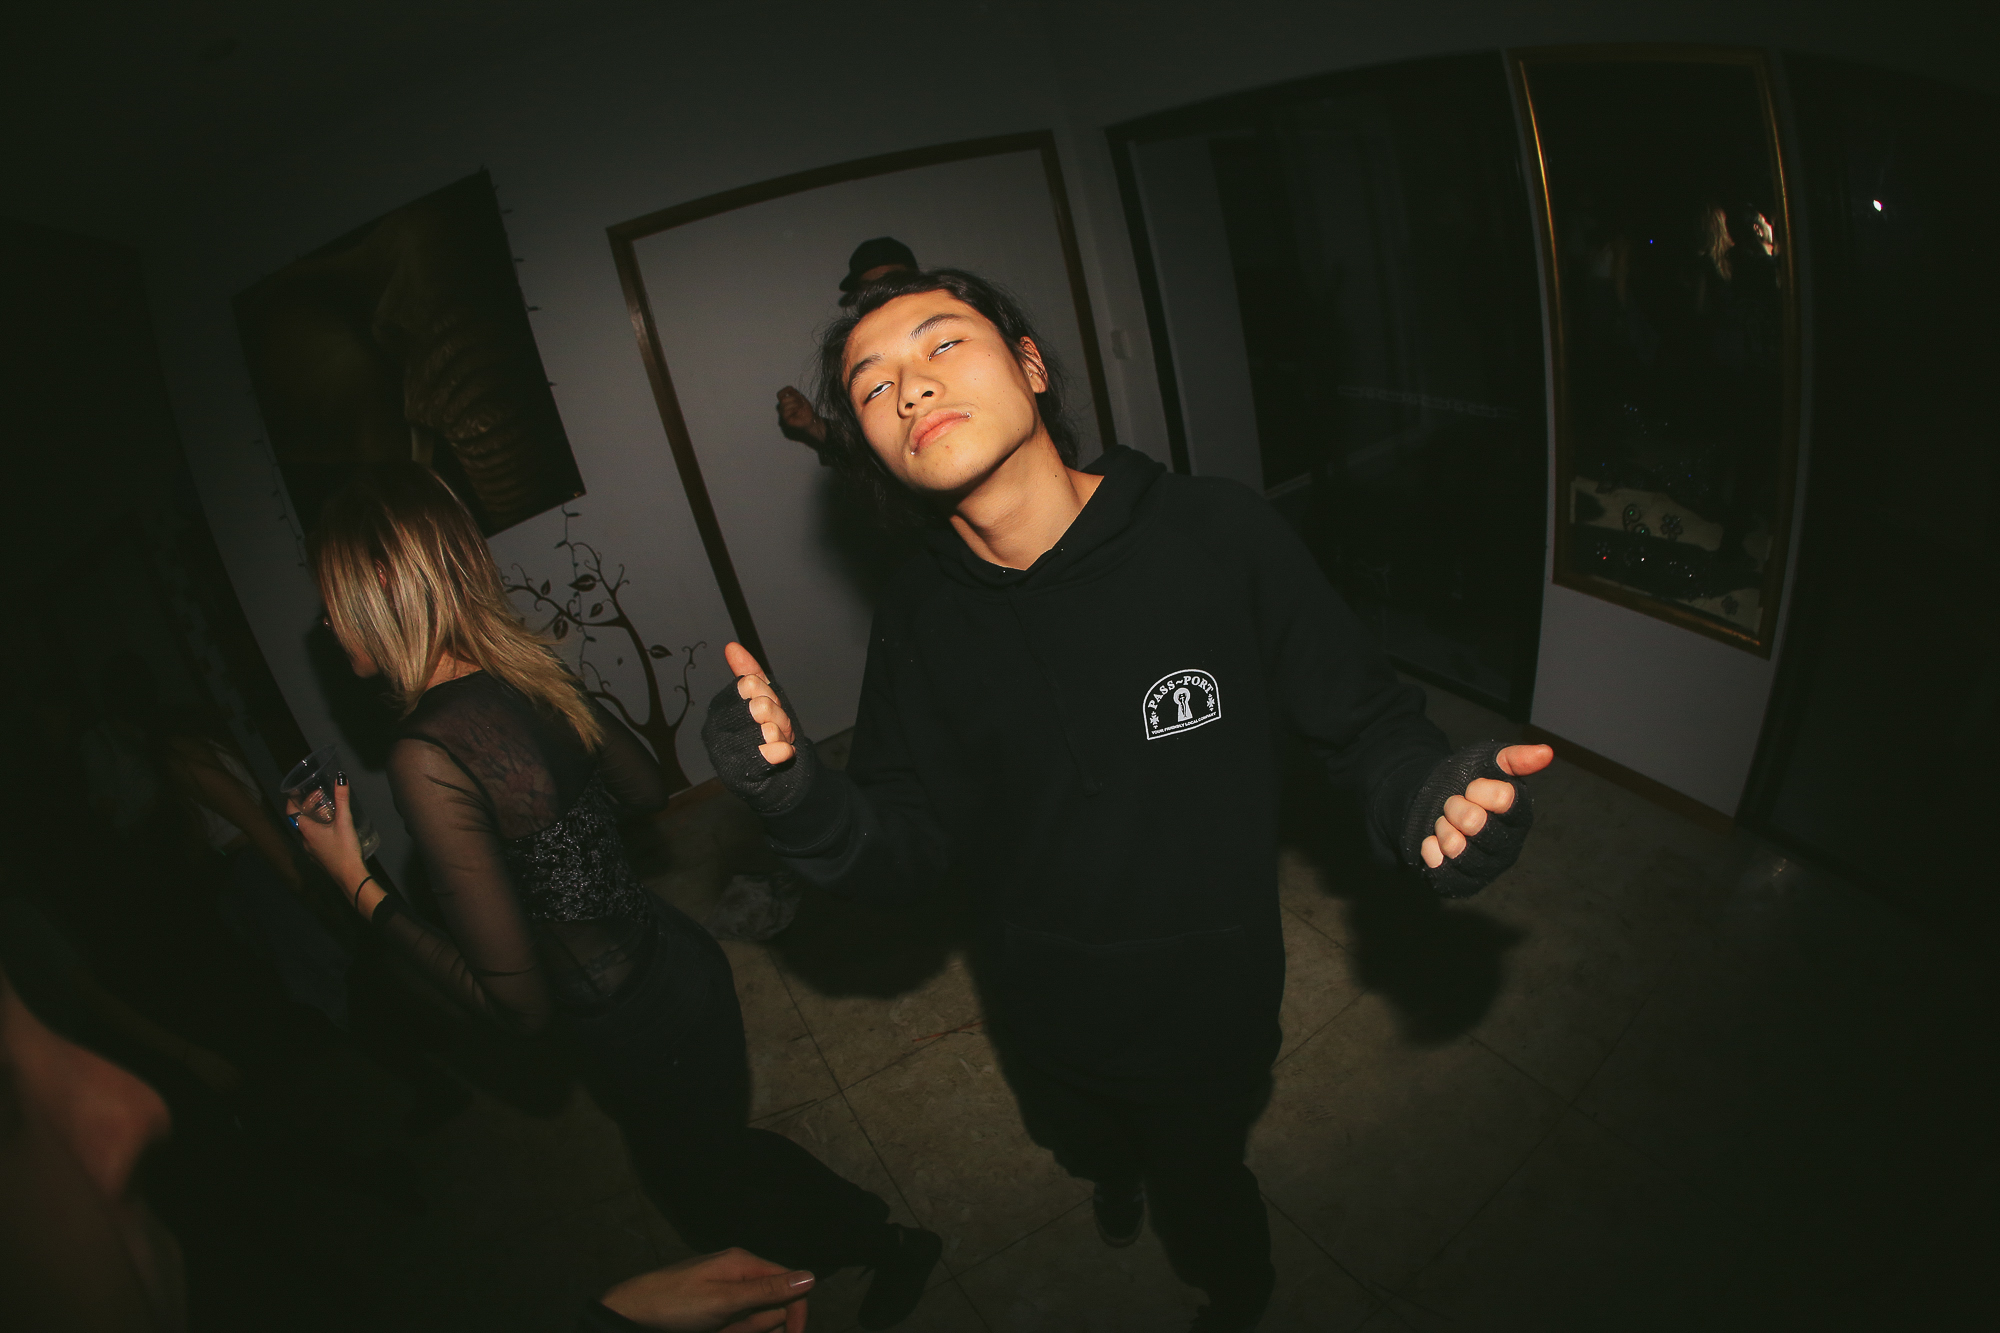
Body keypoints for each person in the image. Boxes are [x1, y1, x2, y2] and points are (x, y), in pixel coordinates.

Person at [700, 268, 1553, 1332]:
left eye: (942, 344)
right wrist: (796, 796)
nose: (909, 388)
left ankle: (1237, 1292)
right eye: (872, 387)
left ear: (1030, 365)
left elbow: (1365, 719)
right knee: (1082, 1141)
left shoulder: (1215, 534)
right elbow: (903, 842)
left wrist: (1422, 794)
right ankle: (1108, 1174)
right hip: (1040, 1000)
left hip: (1208, 994)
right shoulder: (918, 615)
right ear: (869, 446)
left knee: (1205, 1185)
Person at [293, 465, 940, 1328]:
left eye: (332, 599)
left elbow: (519, 1006)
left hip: (631, 1020)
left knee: (710, 1193)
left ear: (381, 592)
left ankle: (880, 1245)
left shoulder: (425, 752)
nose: (325, 621)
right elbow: (642, 788)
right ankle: (872, 1238)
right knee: (722, 1156)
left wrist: (356, 885)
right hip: (680, 963)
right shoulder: (522, 673)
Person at [0, 959, 819, 1332]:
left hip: (649, 993)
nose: (133, 1107)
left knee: (706, 1159)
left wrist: (612, 1322)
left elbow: (521, 1008)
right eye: (7, 1107)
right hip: (668, 975)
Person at [775, 237, 919, 456]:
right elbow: (871, 452)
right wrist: (814, 425)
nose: (882, 295)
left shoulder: (961, 322)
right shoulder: (859, 358)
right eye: (869, 289)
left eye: (893, 282)